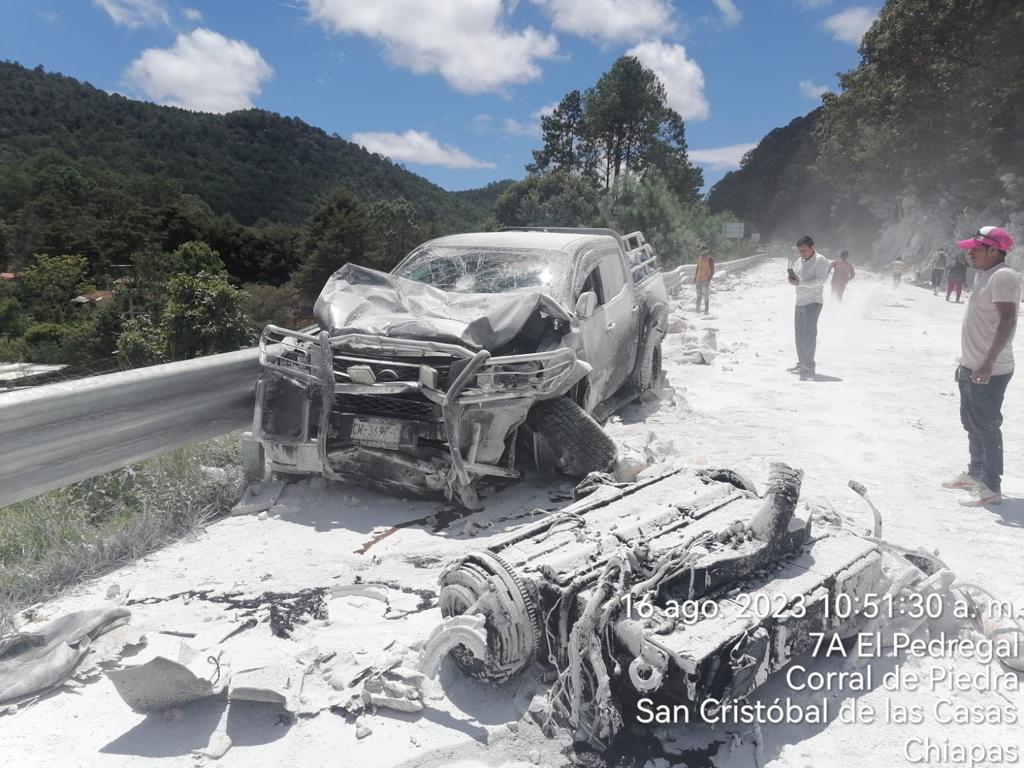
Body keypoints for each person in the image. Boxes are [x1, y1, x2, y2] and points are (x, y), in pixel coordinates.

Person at [942, 226, 1020, 507]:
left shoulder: (1003, 276)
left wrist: (987, 363)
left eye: (976, 248)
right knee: (971, 422)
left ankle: (990, 485)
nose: (970, 253)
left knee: (986, 425)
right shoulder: (986, 275)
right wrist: (967, 363)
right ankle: (975, 473)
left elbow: (1008, 321)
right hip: (971, 365)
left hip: (991, 368)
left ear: (994, 250)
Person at [788, 235, 830, 379]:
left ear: (813, 247)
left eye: (805, 250)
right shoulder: (799, 261)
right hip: (799, 301)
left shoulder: (821, 260)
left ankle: (809, 366)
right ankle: (802, 363)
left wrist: (800, 283)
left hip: (813, 301)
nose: (802, 254)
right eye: (800, 251)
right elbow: (798, 277)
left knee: (809, 335)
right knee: (799, 334)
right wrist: (792, 280)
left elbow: (820, 281)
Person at [694, 249, 715, 314]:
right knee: (698, 295)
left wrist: (709, 278)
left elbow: (712, 269)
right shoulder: (700, 258)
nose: (701, 252)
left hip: (705, 280)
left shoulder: (710, 259)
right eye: (701, 251)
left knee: (705, 295)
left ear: (706, 251)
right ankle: (697, 309)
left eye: (703, 251)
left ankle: (706, 310)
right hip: (698, 280)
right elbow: (698, 268)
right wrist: (695, 277)